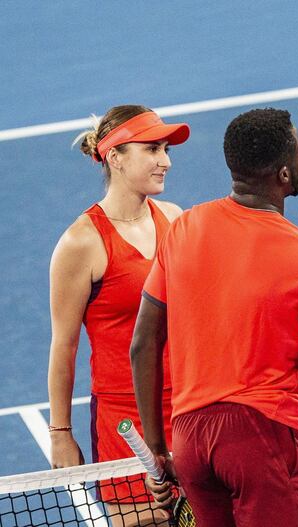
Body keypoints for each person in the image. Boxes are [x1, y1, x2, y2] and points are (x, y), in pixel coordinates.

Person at [130, 108, 298, 527]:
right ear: (283, 174)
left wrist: (158, 447)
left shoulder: (184, 229)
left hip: (190, 442)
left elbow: (143, 345)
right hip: (262, 439)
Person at [48, 105, 190, 526]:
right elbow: (64, 344)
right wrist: (61, 433)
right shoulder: (81, 242)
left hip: (187, 413)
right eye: (152, 149)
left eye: (165, 149)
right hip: (124, 426)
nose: (166, 160)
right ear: (115, 157)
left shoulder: (174, 218)